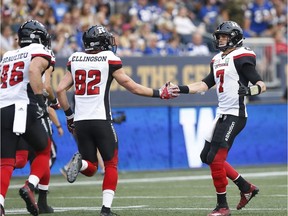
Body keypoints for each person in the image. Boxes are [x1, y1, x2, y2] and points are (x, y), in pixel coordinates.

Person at [56, 25, 179, 216]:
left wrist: (69, 117)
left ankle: (80, 164)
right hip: (101, 119)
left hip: (80, 122)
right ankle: (105, 210)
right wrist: (158, 93)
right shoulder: (109, 59)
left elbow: (59, 90)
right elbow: (133, 87)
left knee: (91, 167)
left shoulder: (74, 58)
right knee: (111, 163)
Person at [174, 21, 266, 216]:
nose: (220, 39)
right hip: (222, 114)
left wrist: (249, 90)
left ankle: (222, 206)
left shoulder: (242, 56)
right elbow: (203, 85)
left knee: (216, 160)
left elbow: (261, 84)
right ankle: (246, 187)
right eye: (219, 36)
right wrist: (179, 89)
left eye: (224, 36)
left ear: (234, 37)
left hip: (236, 114)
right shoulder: (217, 59)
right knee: (205, 157)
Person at [0, 20, 54, 216]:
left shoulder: (7, 54)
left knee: (5, 161)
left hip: (2, 107)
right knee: (44, 149)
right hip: (24, 105)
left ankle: (0, 203)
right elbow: (33, 70)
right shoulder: (40, 50)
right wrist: (40, 101)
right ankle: (30, 186)